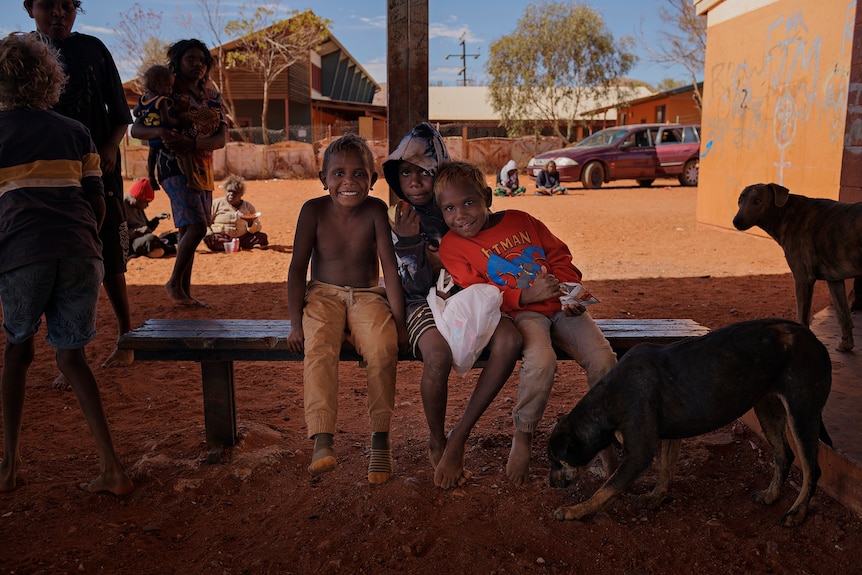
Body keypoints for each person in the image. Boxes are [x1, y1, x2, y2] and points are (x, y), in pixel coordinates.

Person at [0, 32, 133, 496]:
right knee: (71, 357)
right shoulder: (76, 132)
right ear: (51, 81)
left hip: (24, 254)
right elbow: (97, 205)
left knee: (17, 351)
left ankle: (10, 465)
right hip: (82, 252)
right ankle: (112, 468)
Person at [435, 161, 619, 486]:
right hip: (523, 314)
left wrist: (569, 291)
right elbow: (480, 294)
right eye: (449, 208)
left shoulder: (522, 220)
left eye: (468, 203)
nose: (461, 215)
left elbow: (559, 255)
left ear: (487, 197)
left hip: (562, 306)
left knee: (604, 360)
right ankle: (524, 434)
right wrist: (525, 295)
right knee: (541, 361)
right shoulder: (453, 246)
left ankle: (602, 433)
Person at [383, 122, 522, 488]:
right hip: (419, 303)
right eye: (405, 172)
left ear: (439, 170)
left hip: (469, 294)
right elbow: (410, 284)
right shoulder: (400, 219)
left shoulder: (456, 206)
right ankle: (437, 439)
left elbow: (489, 257)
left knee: (510, 340)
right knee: (438, 356)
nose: (413, 181)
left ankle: (460, 434)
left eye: (424, 172)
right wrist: (411, 244)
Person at [287, 134, 407, 484]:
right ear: (323, 178)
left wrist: (399, 324)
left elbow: (389, 269)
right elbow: (297, 268)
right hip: (322, 293)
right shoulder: (313, 210)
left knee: (383, 350)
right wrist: (296, 323)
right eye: (338, 173)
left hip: (369, 294)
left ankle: (380, 440)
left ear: (373, 178)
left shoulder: (374, 211)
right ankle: (322, 440)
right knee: (319, 346)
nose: (348, 182)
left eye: (359, 174)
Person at [26, 0, 135, 371]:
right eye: (48, 5)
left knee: (109, 254)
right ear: (29, 8)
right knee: (56, 255)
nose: (59, 13)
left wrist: (108, 148)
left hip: (98, 172)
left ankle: (126, 336)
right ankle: (71, 355)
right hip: (44, 175)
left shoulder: (94, 50)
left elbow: (121, 116)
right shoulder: (22, 53)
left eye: (68, 6)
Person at [131, 38, 227, 306]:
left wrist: (194, 143)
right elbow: (137, 130)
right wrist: (161, 132)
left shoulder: (213, 98)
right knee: (197, 226)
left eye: (201, 60)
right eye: (190, 59)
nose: (197, 64)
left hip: (203, 169)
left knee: (188, 230)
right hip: (172, 166)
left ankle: (184, 292)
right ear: (177, 62)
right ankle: (174, 282)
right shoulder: (164, 93)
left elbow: (221, 137)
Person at [132, 64, 183, 193]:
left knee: (152, 155)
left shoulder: (143, 99)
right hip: (166, 135)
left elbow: (136, 112)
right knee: (183, 153)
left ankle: (150, 175)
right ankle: (190, 178)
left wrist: (145, 115)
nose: (170, 90)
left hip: (152, 137)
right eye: (167, 86)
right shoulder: (162, 100)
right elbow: (166, 119)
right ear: (155, 85)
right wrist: (179, 122)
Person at [204, 175, 269, 251]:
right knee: (212, 239)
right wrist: (208, 233)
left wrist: (250, 223)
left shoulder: (248, 207)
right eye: (229, 191)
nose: (231, 194)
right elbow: (206, 222)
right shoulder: (216, 204)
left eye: (235, 192)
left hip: (243, 238)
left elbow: (257, 228)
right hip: (222, 237)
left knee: (262, 237)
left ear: (241, 194)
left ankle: (236, 246)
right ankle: (236, 246)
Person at [124, 178, 174, 259]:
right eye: (146, 202)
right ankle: (170, 248)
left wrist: (156, 219)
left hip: (142, 239)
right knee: (151, 239)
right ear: (138, 199)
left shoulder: (137, 206)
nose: (147, 206)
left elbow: (147, 228)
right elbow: (117, 236)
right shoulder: (120, 207)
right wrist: (137, 231)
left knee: (175, 236)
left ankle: (165, 246)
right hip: (129, 243)